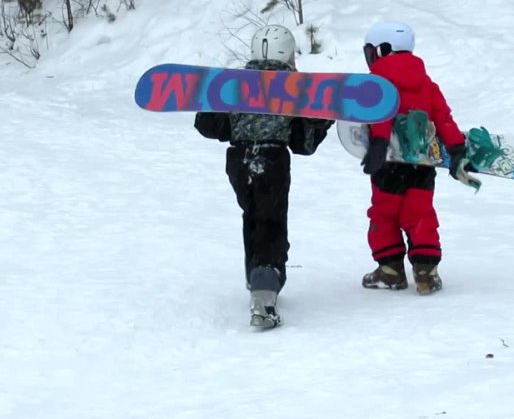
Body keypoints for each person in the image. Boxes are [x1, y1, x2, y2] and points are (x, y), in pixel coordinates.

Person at [194, 25, 332, 328]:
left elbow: (210, 126)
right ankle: (264, 297)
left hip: (238, 162)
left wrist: (211, 105)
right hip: (272, 160)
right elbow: (303, 143)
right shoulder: (294, 89)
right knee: (271, 224)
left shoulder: (234, 84)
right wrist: (322, 120)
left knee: (253, 217)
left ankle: (257, 277)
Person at [359, 20, 468, 295]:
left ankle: (391, 271)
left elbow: (380, 112)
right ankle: (426, 272)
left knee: (384, 214)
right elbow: (443, 118)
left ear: (382, 50)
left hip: (388, 164)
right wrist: (457, 150)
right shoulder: (427, 84)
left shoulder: (375, 82)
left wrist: (379, 144)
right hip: (422, 164)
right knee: (420, 213)